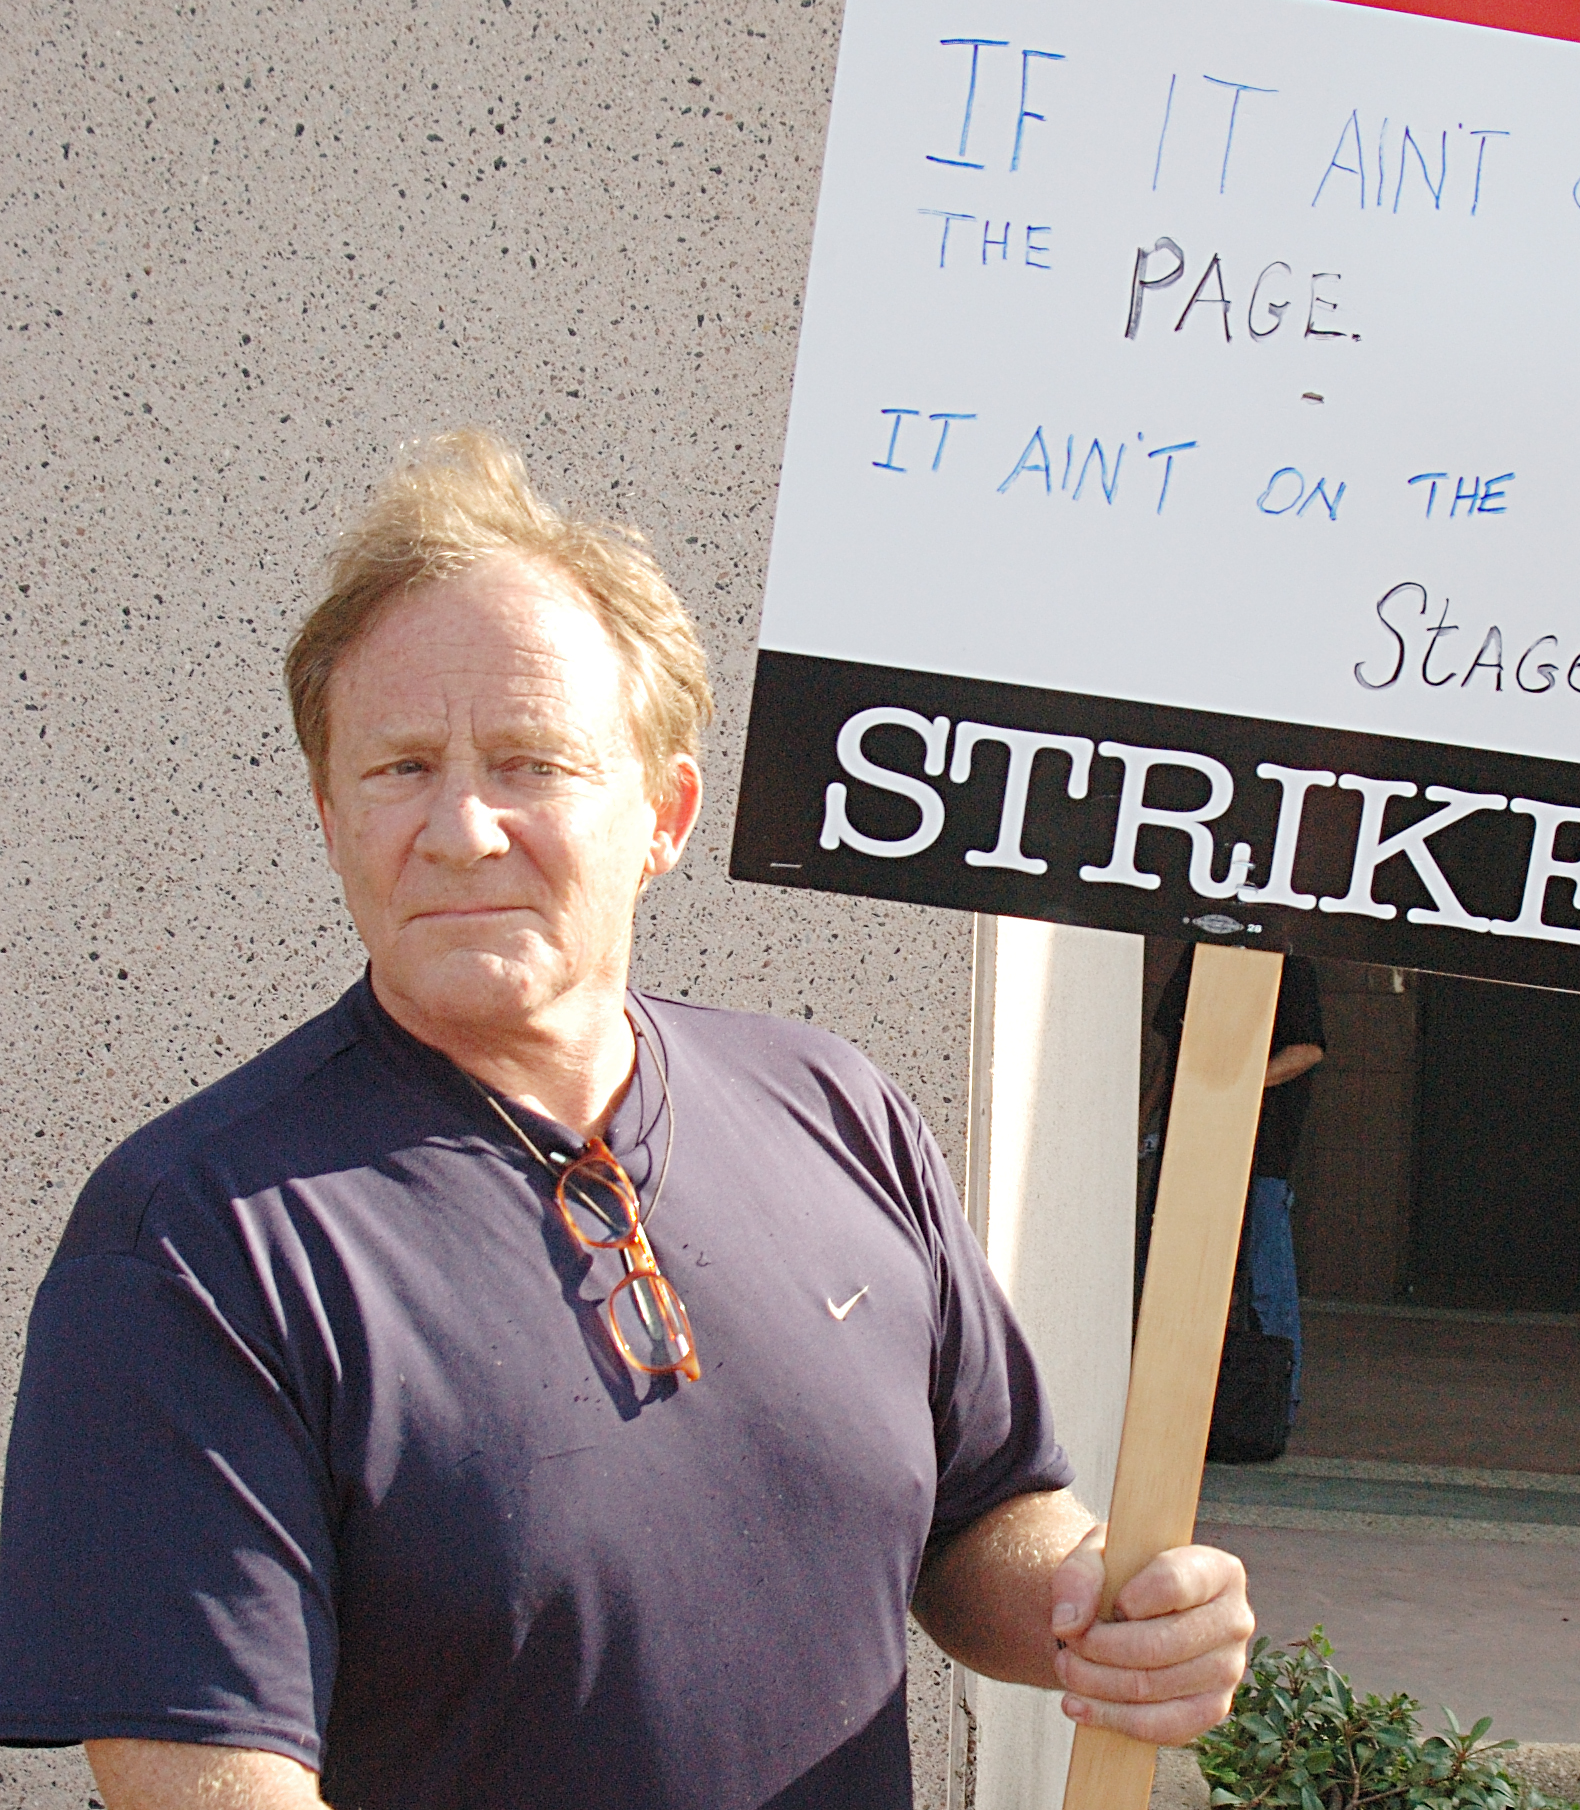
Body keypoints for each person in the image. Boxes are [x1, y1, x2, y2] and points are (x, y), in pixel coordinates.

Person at [0, 431, 1254, 1810]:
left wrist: (1099, 1606)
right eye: (400, 768)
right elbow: (208, 1784)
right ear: (328, 815)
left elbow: (983, 1517)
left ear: (664, 814)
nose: (462, 828)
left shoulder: (837, 1112)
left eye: (532, 763)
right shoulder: (196, 1246)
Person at [1138, 944, 1325, 1424]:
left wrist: (1235, 1088)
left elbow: (1307, 1049)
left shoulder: (1289, 958)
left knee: (1265, 1275)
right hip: (1191, 1134)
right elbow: (1172, 1052)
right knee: (1177, 1268)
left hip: (1261, 1142)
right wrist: (1144, 1118)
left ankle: (1277, 1401)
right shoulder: (1193, 955)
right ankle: (1172, 1398)